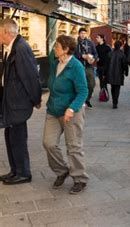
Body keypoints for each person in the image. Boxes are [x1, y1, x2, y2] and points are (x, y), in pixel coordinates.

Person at [42, 35, 89, 194]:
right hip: (54, 110)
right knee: (49, 143)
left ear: (66, 50)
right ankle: (62, 170)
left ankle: (80, 179)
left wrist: (72, 108)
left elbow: (83, 91)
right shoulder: (56, 62)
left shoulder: (76, 66)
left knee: (73, 147)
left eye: (57, 46)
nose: (54, 48)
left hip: (72, 111)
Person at [0, 19, 42, 185]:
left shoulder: (21, 48)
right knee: (10, 135)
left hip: (18, 103)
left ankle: (24, 173)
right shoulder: (10, 48)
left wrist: (36, 98)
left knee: (17, 137)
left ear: (6, 32)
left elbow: (31, 77)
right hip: (10, 102)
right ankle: (15, 170)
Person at [74, 28, 97, 108]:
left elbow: (95, 53)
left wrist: (93, 58)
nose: (83, 35)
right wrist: (81, 56)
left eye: (84, 33)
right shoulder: (75, 43)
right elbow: (72, 55)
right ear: (79, 34)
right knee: (80, 85)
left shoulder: (90, 43)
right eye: (81, 33)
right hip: (79, 67)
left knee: (91, 84)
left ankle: (87, 99)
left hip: (88, 67)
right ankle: (81, 101)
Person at [107, 40, 129, 109]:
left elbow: (106, 64)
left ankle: (114, 101)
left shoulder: (110, 53)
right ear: (120, 46)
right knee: (117, 88)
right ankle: (115, 102)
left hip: (110, 73)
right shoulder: (122, 54)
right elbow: (125, 64)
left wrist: (105, 74)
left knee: (112, 88)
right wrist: (126, 72)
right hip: (119, 74)